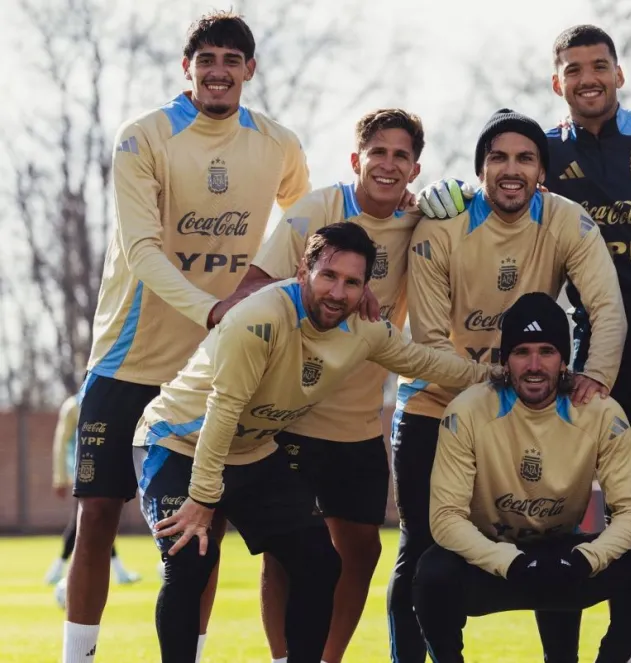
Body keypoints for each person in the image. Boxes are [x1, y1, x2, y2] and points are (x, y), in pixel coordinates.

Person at [416, 27, 631, 662]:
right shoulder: (542, 151)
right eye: (574, 69)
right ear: (559, 83)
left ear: (619, 73)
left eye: (599, 66)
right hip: (588, 365)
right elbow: (496, 185)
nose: (588, 78)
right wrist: (446, 194)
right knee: (581, 525)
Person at [63, 10, 312, 662]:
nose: (219, 72)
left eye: (233, 60)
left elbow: (307, 224)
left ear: (250, 70)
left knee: (205, 532)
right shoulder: (143, 137)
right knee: (93, 522)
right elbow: (142, 251)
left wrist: (268, 290)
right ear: (188, 68)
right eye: (207, 60)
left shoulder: (279, 144)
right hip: (128, 361)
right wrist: (216, 311)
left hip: (212, 374)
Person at [132, 222, 495, 663]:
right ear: (304, 270)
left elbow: (428, 363)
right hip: (178, 442)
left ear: (365, 288)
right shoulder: (257, 319)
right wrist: (203, 499)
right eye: (329, 276)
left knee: (320, 562)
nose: (338, 293)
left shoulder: (365, 328)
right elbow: (221, 413)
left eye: (351, 282)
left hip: (251, 450)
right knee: (190, 558)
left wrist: (501, 377)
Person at [389, 108, 627, 663]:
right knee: (421, 549)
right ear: (481, 169)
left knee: (550, 540)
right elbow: (427, 342)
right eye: (498, 157)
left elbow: (607, 308)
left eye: (525, 158)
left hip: (532, 403)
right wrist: (495, 381)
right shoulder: (441, 225)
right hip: (437, 402)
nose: (511, 169)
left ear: (542, 171)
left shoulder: (568, 220)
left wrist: (595, 378)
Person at [229, 108, 426, 663]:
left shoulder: (422, 221)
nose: (387, 164)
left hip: (359, 421)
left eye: (400, 155)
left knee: (361, 550)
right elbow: (255, 286)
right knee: (288, 554)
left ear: (414, 169)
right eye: (378, 152)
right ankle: (283, 658)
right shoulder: (319, 208)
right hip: (290, 415)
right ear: (355, 159)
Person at [413, 291, 631, 663]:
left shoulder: (599, 412)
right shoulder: (467, 411)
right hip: (495, 561)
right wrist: (510, 562)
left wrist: (587, 559)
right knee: (432, 572)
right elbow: (445, 518)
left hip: (566, 559)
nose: (534, 365)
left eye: (546, 351)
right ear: (505, 360)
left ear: (564, 359)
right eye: (522, 352)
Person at [45, 393, 140, 589]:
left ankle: (118, 571)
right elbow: (61, 442)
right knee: (85, 520)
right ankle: (57, 569)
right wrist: (60, 477)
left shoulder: (107, 402)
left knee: (98, 519)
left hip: (103, 470)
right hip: (82, 473)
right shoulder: (72, 407)